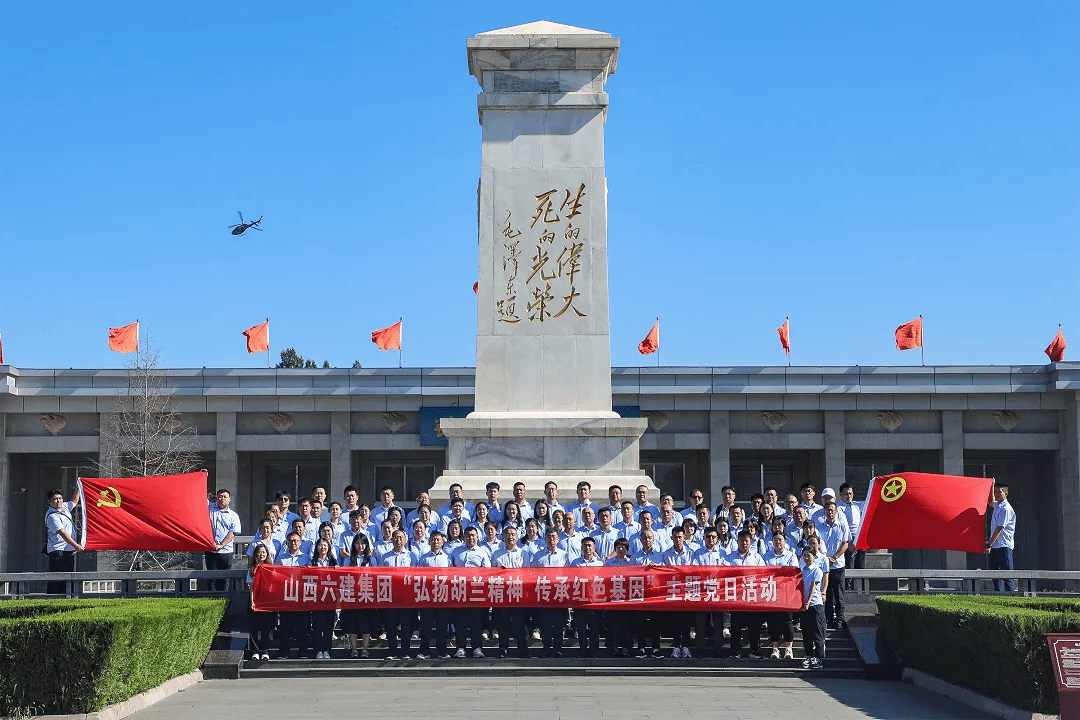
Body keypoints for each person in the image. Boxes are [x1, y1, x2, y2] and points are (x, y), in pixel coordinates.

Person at [452, 526, 490, 658]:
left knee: (476, 622)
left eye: (473, 535)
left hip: (476, 592)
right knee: (460, 622)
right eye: (468, 535)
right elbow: (450, 570)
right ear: (463, 537)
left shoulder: (482, 552)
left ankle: (476, 647)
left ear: (478, 537)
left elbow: (487, 571)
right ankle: (460, 647)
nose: (470, 538)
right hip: (460, 592)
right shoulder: (456, 552)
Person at [491, 526, 529, 658]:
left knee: (520, 622)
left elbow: (528, 573)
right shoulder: (496, 554)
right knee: (503, 622)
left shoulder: (523, 553)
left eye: (513, 534)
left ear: (517, 537)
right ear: (503, 537)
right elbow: (491, 573)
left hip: (519, 593)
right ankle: (503, 648)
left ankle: (522, 648)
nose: (510, 537)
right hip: (503, 593)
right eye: (507, 534)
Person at [530, 528, 569, 657]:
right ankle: (546, 648)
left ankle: (558, 648)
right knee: (545, 623)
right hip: (544, 593)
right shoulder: (538, 555)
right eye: (549, 537)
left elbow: (569, 574)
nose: (551, 539)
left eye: (554, 537)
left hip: (559, 593)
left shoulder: (564, 554)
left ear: (558, 539)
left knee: (558, 624)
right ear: (545, 539)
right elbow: (533, 574)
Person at [415, 530, 453, 660]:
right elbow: (419, 576)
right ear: (429, 541)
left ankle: (441, 650)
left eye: (438, 540)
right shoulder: (423, 558)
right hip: (427, 596)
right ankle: (424, 650)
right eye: (433, 539)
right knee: (426, 625)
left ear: (442, 542)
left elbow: (452, 576)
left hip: (442, 595)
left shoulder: (447, 558)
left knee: (442, 626)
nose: (435, 542)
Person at [764, 533, 799, 660]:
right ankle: (775, 647)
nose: (778, 542)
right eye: (775, 539)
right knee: (773, 621)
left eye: (780, 539)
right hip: (771, 592)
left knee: (787, 621)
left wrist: (777, 575)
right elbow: (763, 572)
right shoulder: (766, 556)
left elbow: (793, 571)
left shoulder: (791, 556)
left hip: (786, 593)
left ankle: (788, 648)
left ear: (785, 542)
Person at [342, 532, 375, 658]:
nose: (360, 546)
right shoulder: (348, 560)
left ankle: (365, 649)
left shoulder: (371, 560)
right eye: (357, 543)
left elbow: (376, 575)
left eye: (363, 543)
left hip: (366, 594)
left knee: (366, 622)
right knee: (352, 623)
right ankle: (354, 649)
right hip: (352, 595)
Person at [382, 529, 414, 660]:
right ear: (391, 539)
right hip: (390, 595)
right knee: (391, 626)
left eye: (401, 538)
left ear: (405, 540)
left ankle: (405, 652)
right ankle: (392, 652)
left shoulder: (412, 556)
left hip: (406, 596)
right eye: (395, 537)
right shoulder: (385, 557)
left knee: (406, 626)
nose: (398, 540)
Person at [818, 502, 851, 628]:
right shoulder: (820, 527)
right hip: (825, 566)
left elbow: (846, 543)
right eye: (828, 510)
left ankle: (840, 620)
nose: (830, 513)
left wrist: (835, 557)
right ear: (824, 512)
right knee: (827, 594)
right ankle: (829, 619)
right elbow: (819, 544)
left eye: (832, 510)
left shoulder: (842, 525)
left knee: (839, 595)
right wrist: (826, 558)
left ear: (836, 512)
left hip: (838, 566)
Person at [45, 488, 83, 594]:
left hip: (68, 550)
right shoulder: (52, 516)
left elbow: (74, 502)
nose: (58, 501)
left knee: (67, 578)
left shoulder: (64, 508)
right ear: (50, 501)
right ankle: (52, 601)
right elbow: (63, 533)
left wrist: (78, 488)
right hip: (58, 551)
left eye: (60, 498)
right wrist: (76, 545)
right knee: (57, 580)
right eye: (55, 499)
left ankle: (64, 599)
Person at [570, 537, 604, 657]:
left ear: (594, 548)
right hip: (580, 599)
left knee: (595, 627)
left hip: (595, 600)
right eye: (585, 545)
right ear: (581, 547)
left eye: (590, 545)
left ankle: (594, 650)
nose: (587, 548)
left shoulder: (600, 563)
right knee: (581, 627)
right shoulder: (575, 563)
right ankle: (582, 649)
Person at [207, 489, 241, 591]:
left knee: (224, 578)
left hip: (226, 551)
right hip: (211, 550)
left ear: (229, 499)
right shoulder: (210, 508)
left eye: (225, 497)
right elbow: (201, 498)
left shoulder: (233, 515)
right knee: (211, 577)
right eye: (220, 496)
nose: (222, 499)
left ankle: (224, 600)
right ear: (216, 498)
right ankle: (211, 600)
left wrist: (222, 544)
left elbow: (233, 532)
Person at [246, 543, 275, 661]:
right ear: (256, 554)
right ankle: (255, 652)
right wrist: (252, 601)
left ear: (267, 554)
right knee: (254, 628)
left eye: (264, 552)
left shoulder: (271, 568)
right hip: (255, 599)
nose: (262, 554)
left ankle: (265, 651)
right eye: (259, 552)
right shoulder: (252, 568)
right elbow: (251, 586)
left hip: (267, 600)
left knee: (267, 628)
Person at [309, 538, 337, 659]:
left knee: (328, 626)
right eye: (320, 545)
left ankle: (327, 650)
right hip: (317, 597)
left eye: (325, 545)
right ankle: (318, 650)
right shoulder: (313, 562)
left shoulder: (333, 561)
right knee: (317, 625)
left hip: (330, 597)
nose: (322, 547)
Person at [800, 547, 826, 669]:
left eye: (808, 555)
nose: (806, 558)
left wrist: (808, 602)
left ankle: (819, 658)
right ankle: (808, 656)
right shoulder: (801, 571)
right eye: (804, 555)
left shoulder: (817, 570)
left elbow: (813, 586)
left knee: (817, 633)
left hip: (815, 605)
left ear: (814, 557)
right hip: (804, 607)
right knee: (806, 633)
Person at [987, 483, 1016, 592]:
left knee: (1007, 576)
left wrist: (989, 544)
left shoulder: (1006, 509)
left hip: (1004, 546)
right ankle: (999, 597)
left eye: (1000, 492)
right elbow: (991, 502)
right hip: (995, 546)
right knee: (995, 575)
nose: (997, 494)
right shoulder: (998, 505)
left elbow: (999, 529)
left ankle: (1011, 600)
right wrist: (991, 486)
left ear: (1006, 494)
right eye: (996, 492)